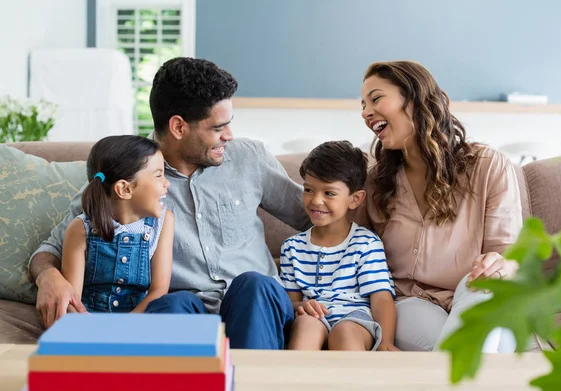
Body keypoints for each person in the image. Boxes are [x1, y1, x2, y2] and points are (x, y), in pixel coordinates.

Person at [29, 57, 311, 349]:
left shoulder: (249, 157)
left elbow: (316, 218)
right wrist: (48, 276)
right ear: (178, 126)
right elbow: (50, 250)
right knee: (172, 305)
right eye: (218, 127)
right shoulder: (128, 174)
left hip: (258, 302)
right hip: (185, 310)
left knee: (253, 285)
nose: (229, 136)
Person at [358, 60, 521, 352]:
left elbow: (511, 254)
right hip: (410, 304)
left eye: (376, 98)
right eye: (362, 104)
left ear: (414, 98)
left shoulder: (488, 167)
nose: (365, 113)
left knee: (482, 291)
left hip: (475, 292)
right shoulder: (377, 183)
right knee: (493, 347)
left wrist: (499, 265)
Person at [279, 141, 398, 351]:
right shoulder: (292, 248)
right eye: (308, 189)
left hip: (355, 318)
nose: (316, 200)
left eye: (329, 193)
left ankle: (352, 383)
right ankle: (296, 381)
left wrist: (386, 342)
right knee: (306, 325)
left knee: (345, 332)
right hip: (314, 316)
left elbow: (381, 298)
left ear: (355, 199)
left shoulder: (366, 243)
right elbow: (291, 302)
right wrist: (301, 306)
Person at [61, 135, 173, 314]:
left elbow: (158, 291)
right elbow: (72, 301)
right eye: (159, 175)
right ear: (124, 189)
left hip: (138, 323)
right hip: (89, 324)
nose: (167, 183)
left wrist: (121, 329)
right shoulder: (80, 228)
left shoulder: (163, 222)